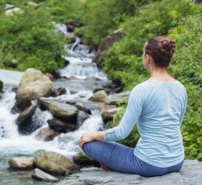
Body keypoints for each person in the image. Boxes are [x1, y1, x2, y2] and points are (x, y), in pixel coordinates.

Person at [79, 36, 187, 177]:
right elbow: (176, 125)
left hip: (149, 165)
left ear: (147, 58)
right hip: (177, 161)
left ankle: (115, 164)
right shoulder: (180, 88)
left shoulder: (141, 90)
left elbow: (121, 133)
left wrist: (91, 135)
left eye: (143, 53)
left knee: (87, 144)